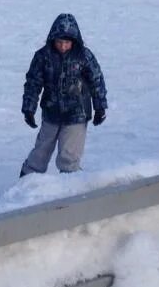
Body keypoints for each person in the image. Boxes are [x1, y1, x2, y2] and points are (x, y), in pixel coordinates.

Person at [20, 13, 108, 176]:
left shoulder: (84, 56)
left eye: (67, 42)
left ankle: (69, 187)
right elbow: (33, 83)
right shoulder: (43, 56)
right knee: (41, 150)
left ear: (74, 41)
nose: (62, 46)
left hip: (77, 113)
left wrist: (100, 107)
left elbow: (97, 81)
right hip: (51, 111)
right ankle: (27, 182)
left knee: (69, 155)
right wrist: (29, 108)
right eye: (59, 42)